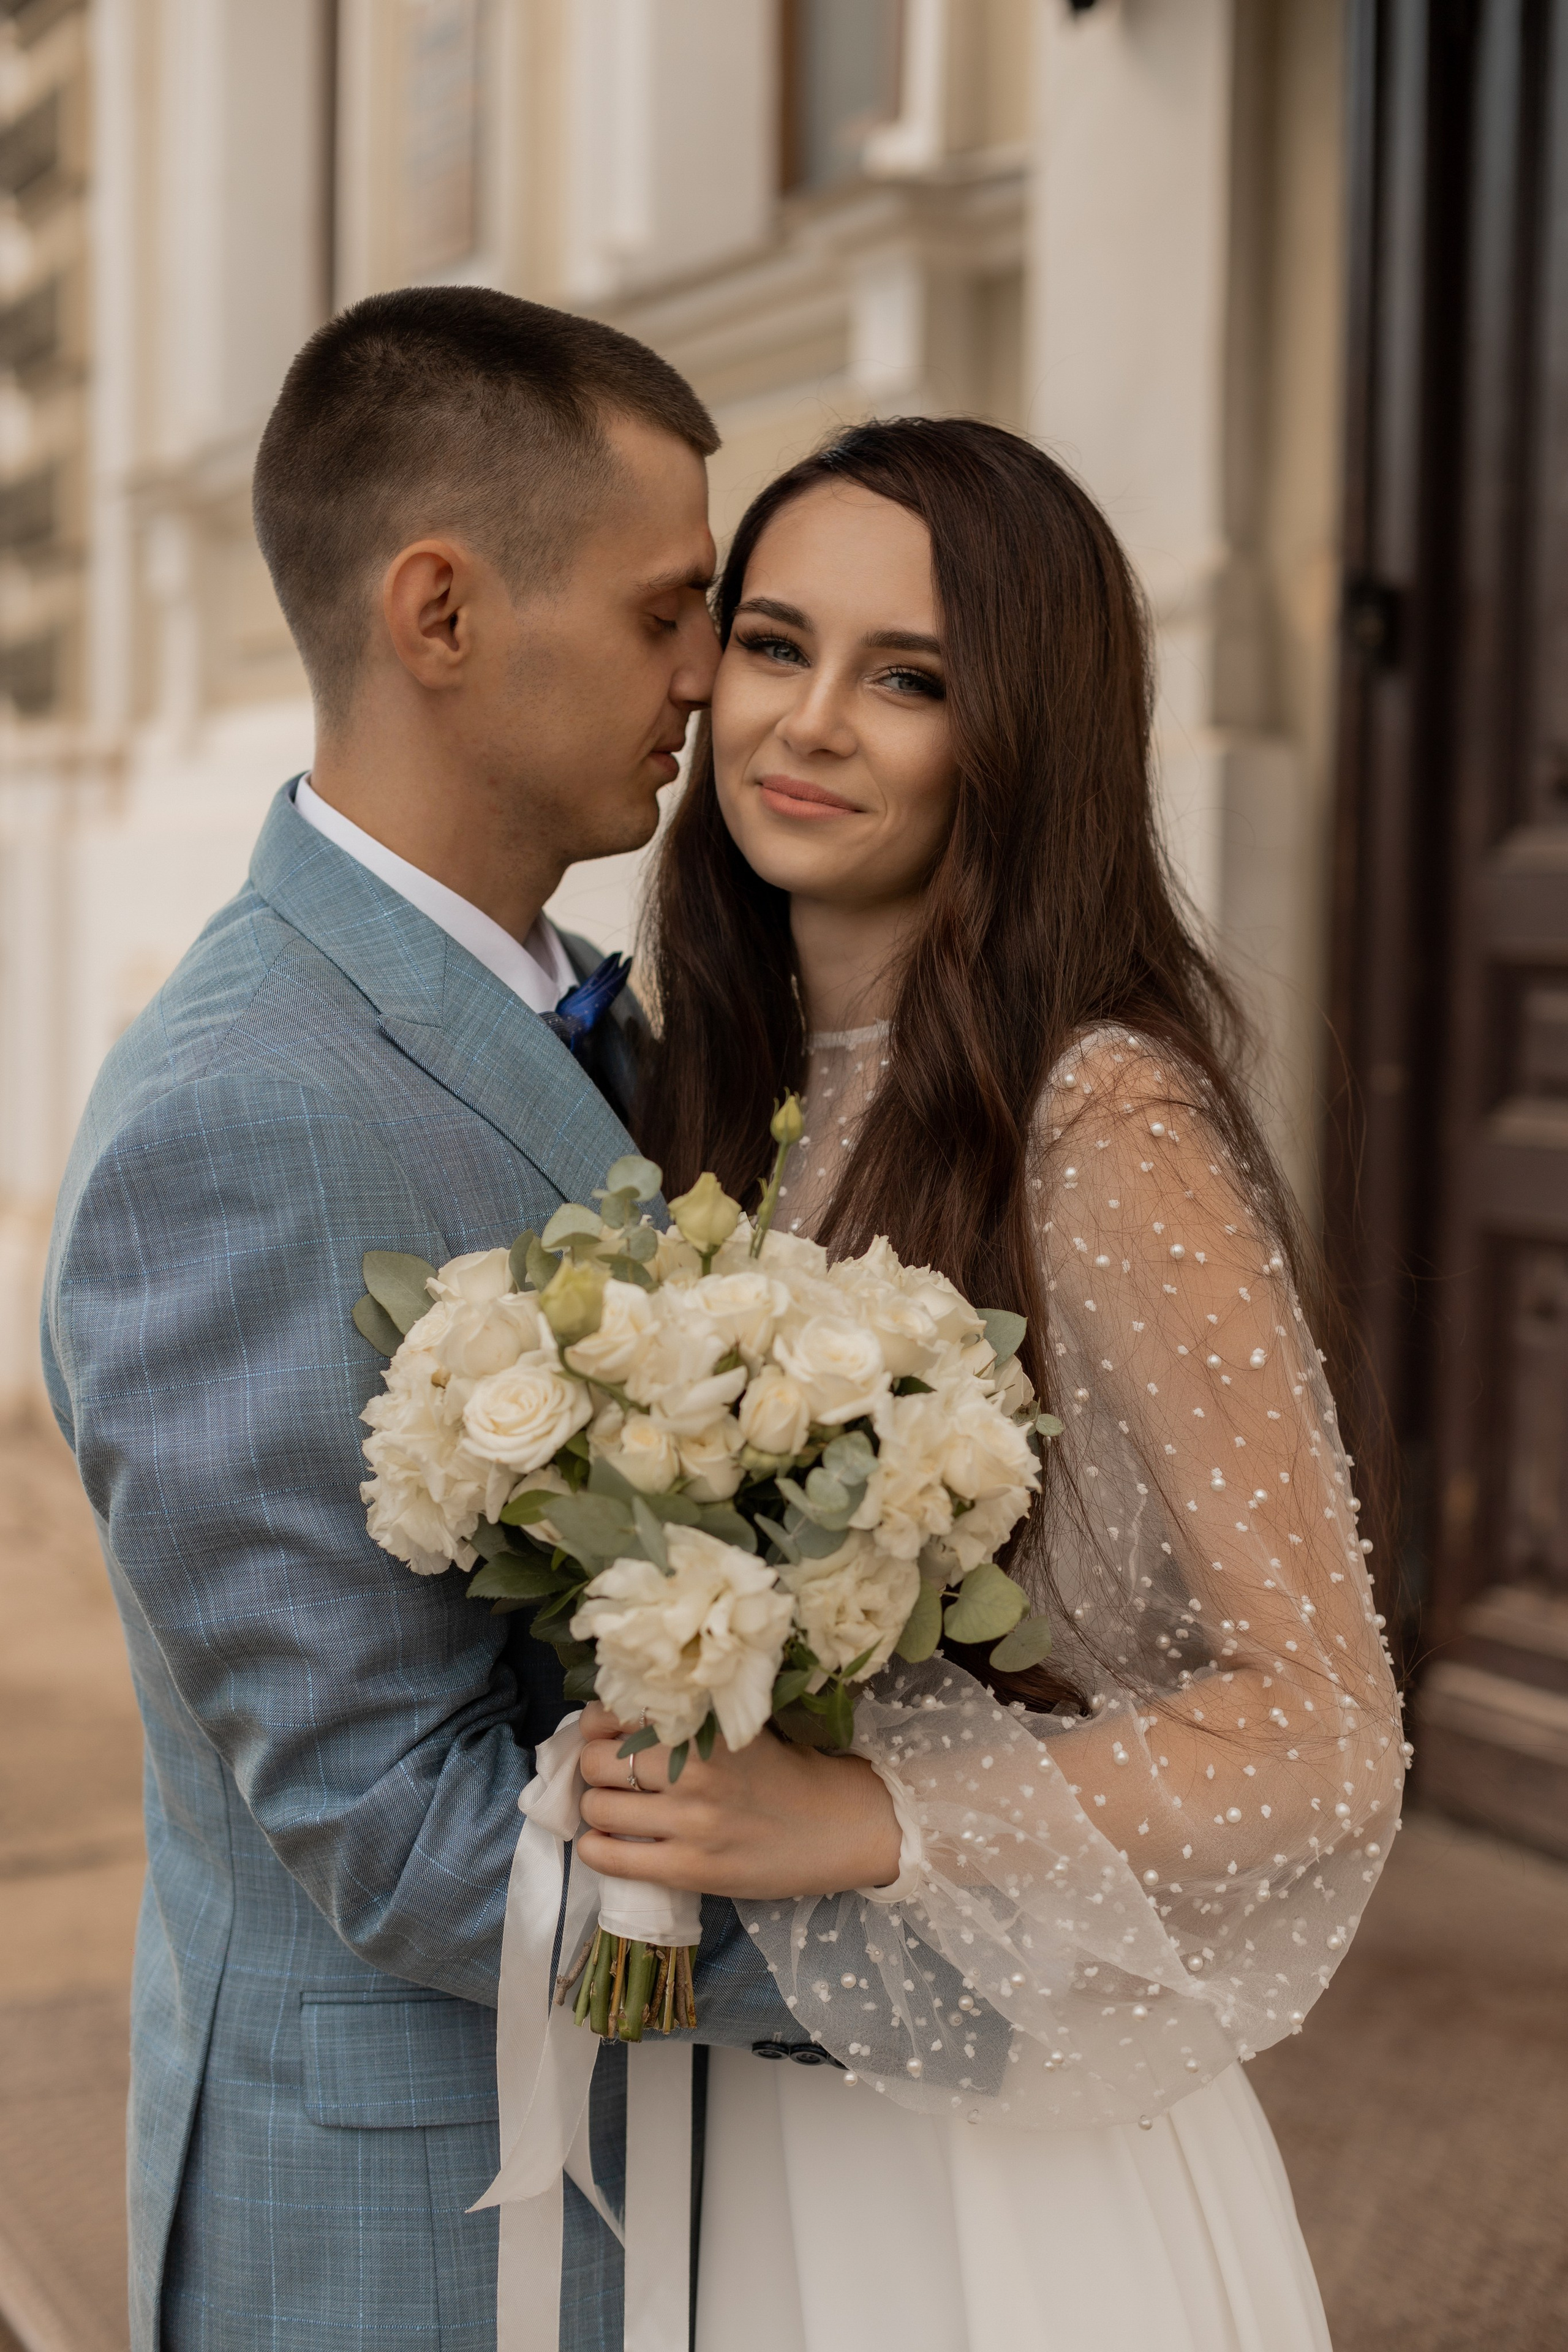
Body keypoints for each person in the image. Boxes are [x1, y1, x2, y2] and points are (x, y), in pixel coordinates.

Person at [40, 288, 886, 2352]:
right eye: (668, 609)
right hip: (412, 2226)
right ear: (439, 612)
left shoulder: (574, 1009)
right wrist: (886, 1969)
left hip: (647, 2179)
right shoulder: (240, 1114)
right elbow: (404, 1844)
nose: (718, 677)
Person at [570, 417, 1408, 2351]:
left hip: (988, 2175)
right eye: (775, 646)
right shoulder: (703, 1090)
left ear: (1022, 732)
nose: (814, 723)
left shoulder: (1104, 1117)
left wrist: (861, 1819)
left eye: (911, 679)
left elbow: (1323, 1730)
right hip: (728, 2101)